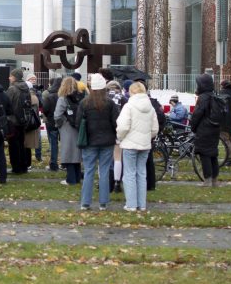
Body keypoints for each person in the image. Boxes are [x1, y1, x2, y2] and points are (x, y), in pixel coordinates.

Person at [78, 73, 118, 210]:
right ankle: (103, 202)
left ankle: (85, 202)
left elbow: (78, 123)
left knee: (89, 171)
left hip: (89, 141)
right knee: (105, 171)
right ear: (104, 88)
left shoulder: (84, 103)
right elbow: (115, 122)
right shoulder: (110, 103)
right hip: (107, 141)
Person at [116, 81, 158, 212]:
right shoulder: (151, 107)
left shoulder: (128, 106)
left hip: (130, 144)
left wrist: (121, 137)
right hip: (145, 144)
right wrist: (147, 137)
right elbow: (155, 129)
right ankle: (142, 204)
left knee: (129, 174)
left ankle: (131, 204)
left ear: (131, 92)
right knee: (141, 173)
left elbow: (122, 126)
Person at [189, 73, 223, 187]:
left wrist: (193, 126)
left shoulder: (203, 97)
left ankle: (207, 180)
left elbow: (197, 114)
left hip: (204, 129)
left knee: (204, 155)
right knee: (213, 154)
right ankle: (214, 180)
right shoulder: (214, 96)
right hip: (215, 129)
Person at [54, 76, 84, 186]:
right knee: (76, 153)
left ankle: (70, 179)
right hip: (78, 127)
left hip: (67, 127)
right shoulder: (80, 97)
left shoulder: (63, 98)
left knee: (68, 153)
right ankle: (77, 177)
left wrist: (61, 123)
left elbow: (57, 115)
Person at [6, 68, 34, 174]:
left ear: (15, 77)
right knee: (22, 144)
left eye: (11, 76)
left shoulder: (12, 89)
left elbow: (7, 104)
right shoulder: (25, 87)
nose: (9, 77)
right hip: (23, 119)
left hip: (13, 120)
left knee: (13, 145)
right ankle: (24, 166)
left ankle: (16, 167)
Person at [40, 76, 62, 172]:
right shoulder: (64, 96)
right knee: (64, 143)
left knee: (53, 144)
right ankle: (65, 163)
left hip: (51, 122)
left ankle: (53, 164)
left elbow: (45, 109)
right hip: (63, 122)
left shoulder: (50, 96)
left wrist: (49, 116)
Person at [219, 80, 231, 167]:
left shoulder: (223, 93)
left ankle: (229, 160)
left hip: (224, 120)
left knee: (225, 140)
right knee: (230, 139)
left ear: (223, 86)